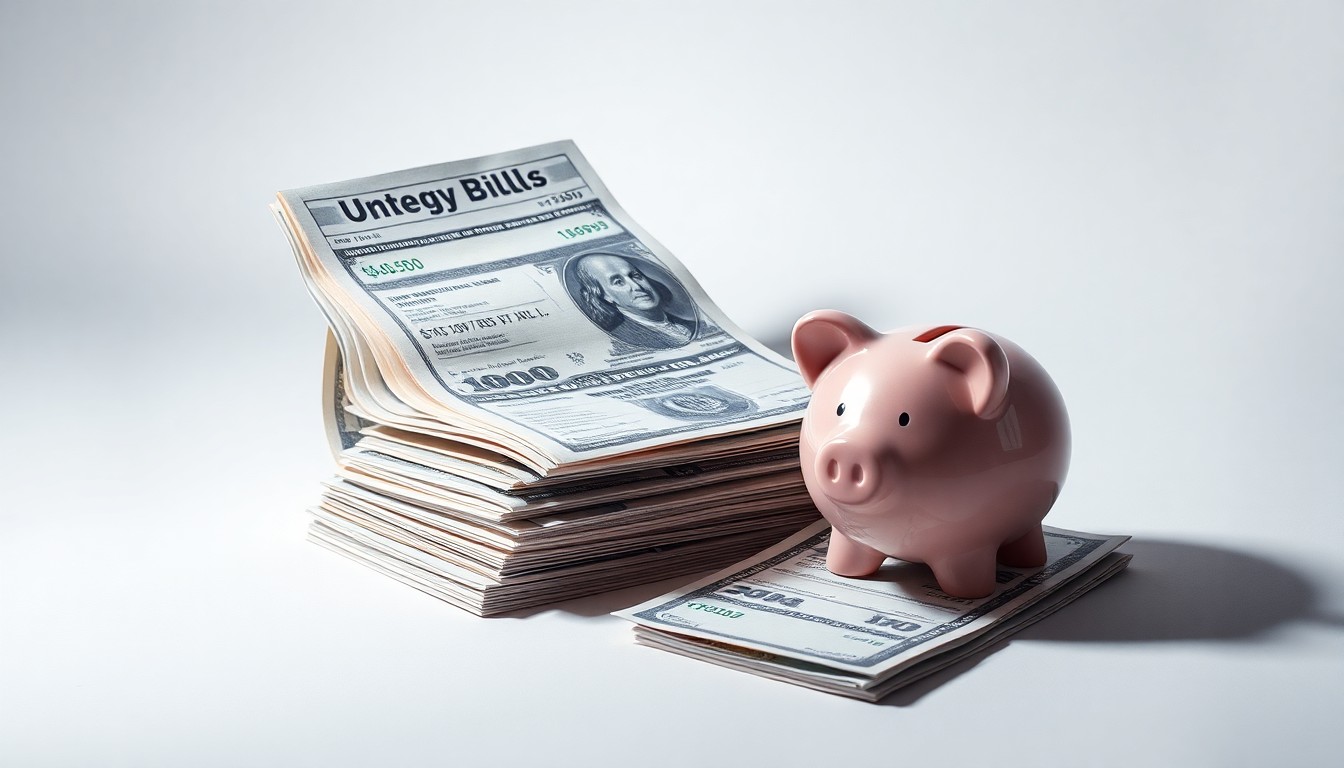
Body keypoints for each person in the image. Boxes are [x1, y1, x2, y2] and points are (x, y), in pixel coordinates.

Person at [572, 253, 698, 349]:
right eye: (618, 282)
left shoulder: (691, 325)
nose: (637, 287)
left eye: (635, 276)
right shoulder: (620, 338)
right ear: (605, 296)